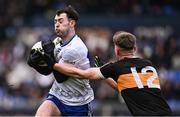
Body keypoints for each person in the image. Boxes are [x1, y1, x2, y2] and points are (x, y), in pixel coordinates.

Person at [43, 31, 172, 116]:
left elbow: (82, 74)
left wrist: (53, 64)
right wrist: (104, 73)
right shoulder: (149, 65)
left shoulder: (116, 67)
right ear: (135, 49)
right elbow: (126, 89)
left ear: (116, 51)